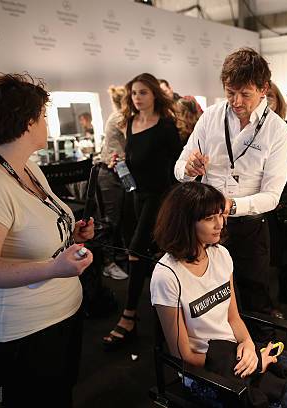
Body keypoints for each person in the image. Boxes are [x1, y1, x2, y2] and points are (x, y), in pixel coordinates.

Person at [0, 73, 95, 407]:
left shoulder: (26, 168)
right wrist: (53, 268)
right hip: (19, 332)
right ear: (28, 122)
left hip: (59, 317)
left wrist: (70, 235)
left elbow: (27, 234)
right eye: (43, 117)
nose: (47, 123)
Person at [151, 182, 287, 407]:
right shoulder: (167, 276)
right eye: (209, 219)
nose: (220, 224)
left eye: (220, 215)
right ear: (185, 223)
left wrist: (246, 343)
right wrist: (248, 362)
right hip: (208, 374)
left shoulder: (221, 255)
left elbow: (233, 317)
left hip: (240, 355)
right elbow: (183, 355)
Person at [174, 48, 287, 327]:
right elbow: (179, 169)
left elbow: (273, 196)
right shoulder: (210, 117)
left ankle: (260, 356)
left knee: (255, 296)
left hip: (249, 226)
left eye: (245, 94)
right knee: (210, 297)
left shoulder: (277, 130)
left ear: (263, 89)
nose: (236, 102)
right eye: (230, 92)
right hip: (205, 226)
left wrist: (233, 206)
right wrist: (188, 169)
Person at [102, 73, 182, 348]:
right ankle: (164, 308)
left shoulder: (166, 127)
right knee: (141, 253)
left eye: (143, 92)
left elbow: (178, 167)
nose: (137, 97)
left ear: (154, 95)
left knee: (136, 252)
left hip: (160, 198)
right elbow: (135, 160)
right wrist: (120, 161)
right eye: (134, 93)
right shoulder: (131, 123)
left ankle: (129, 316)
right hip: (135, 197)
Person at [96, 85, 129, 280]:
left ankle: (119, 255)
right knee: (109, 221)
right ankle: (108, 263)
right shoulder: (120, 118)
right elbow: (132, 139)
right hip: (109, 174)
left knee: (121, 218)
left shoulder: (121, 117)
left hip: (118, 173)